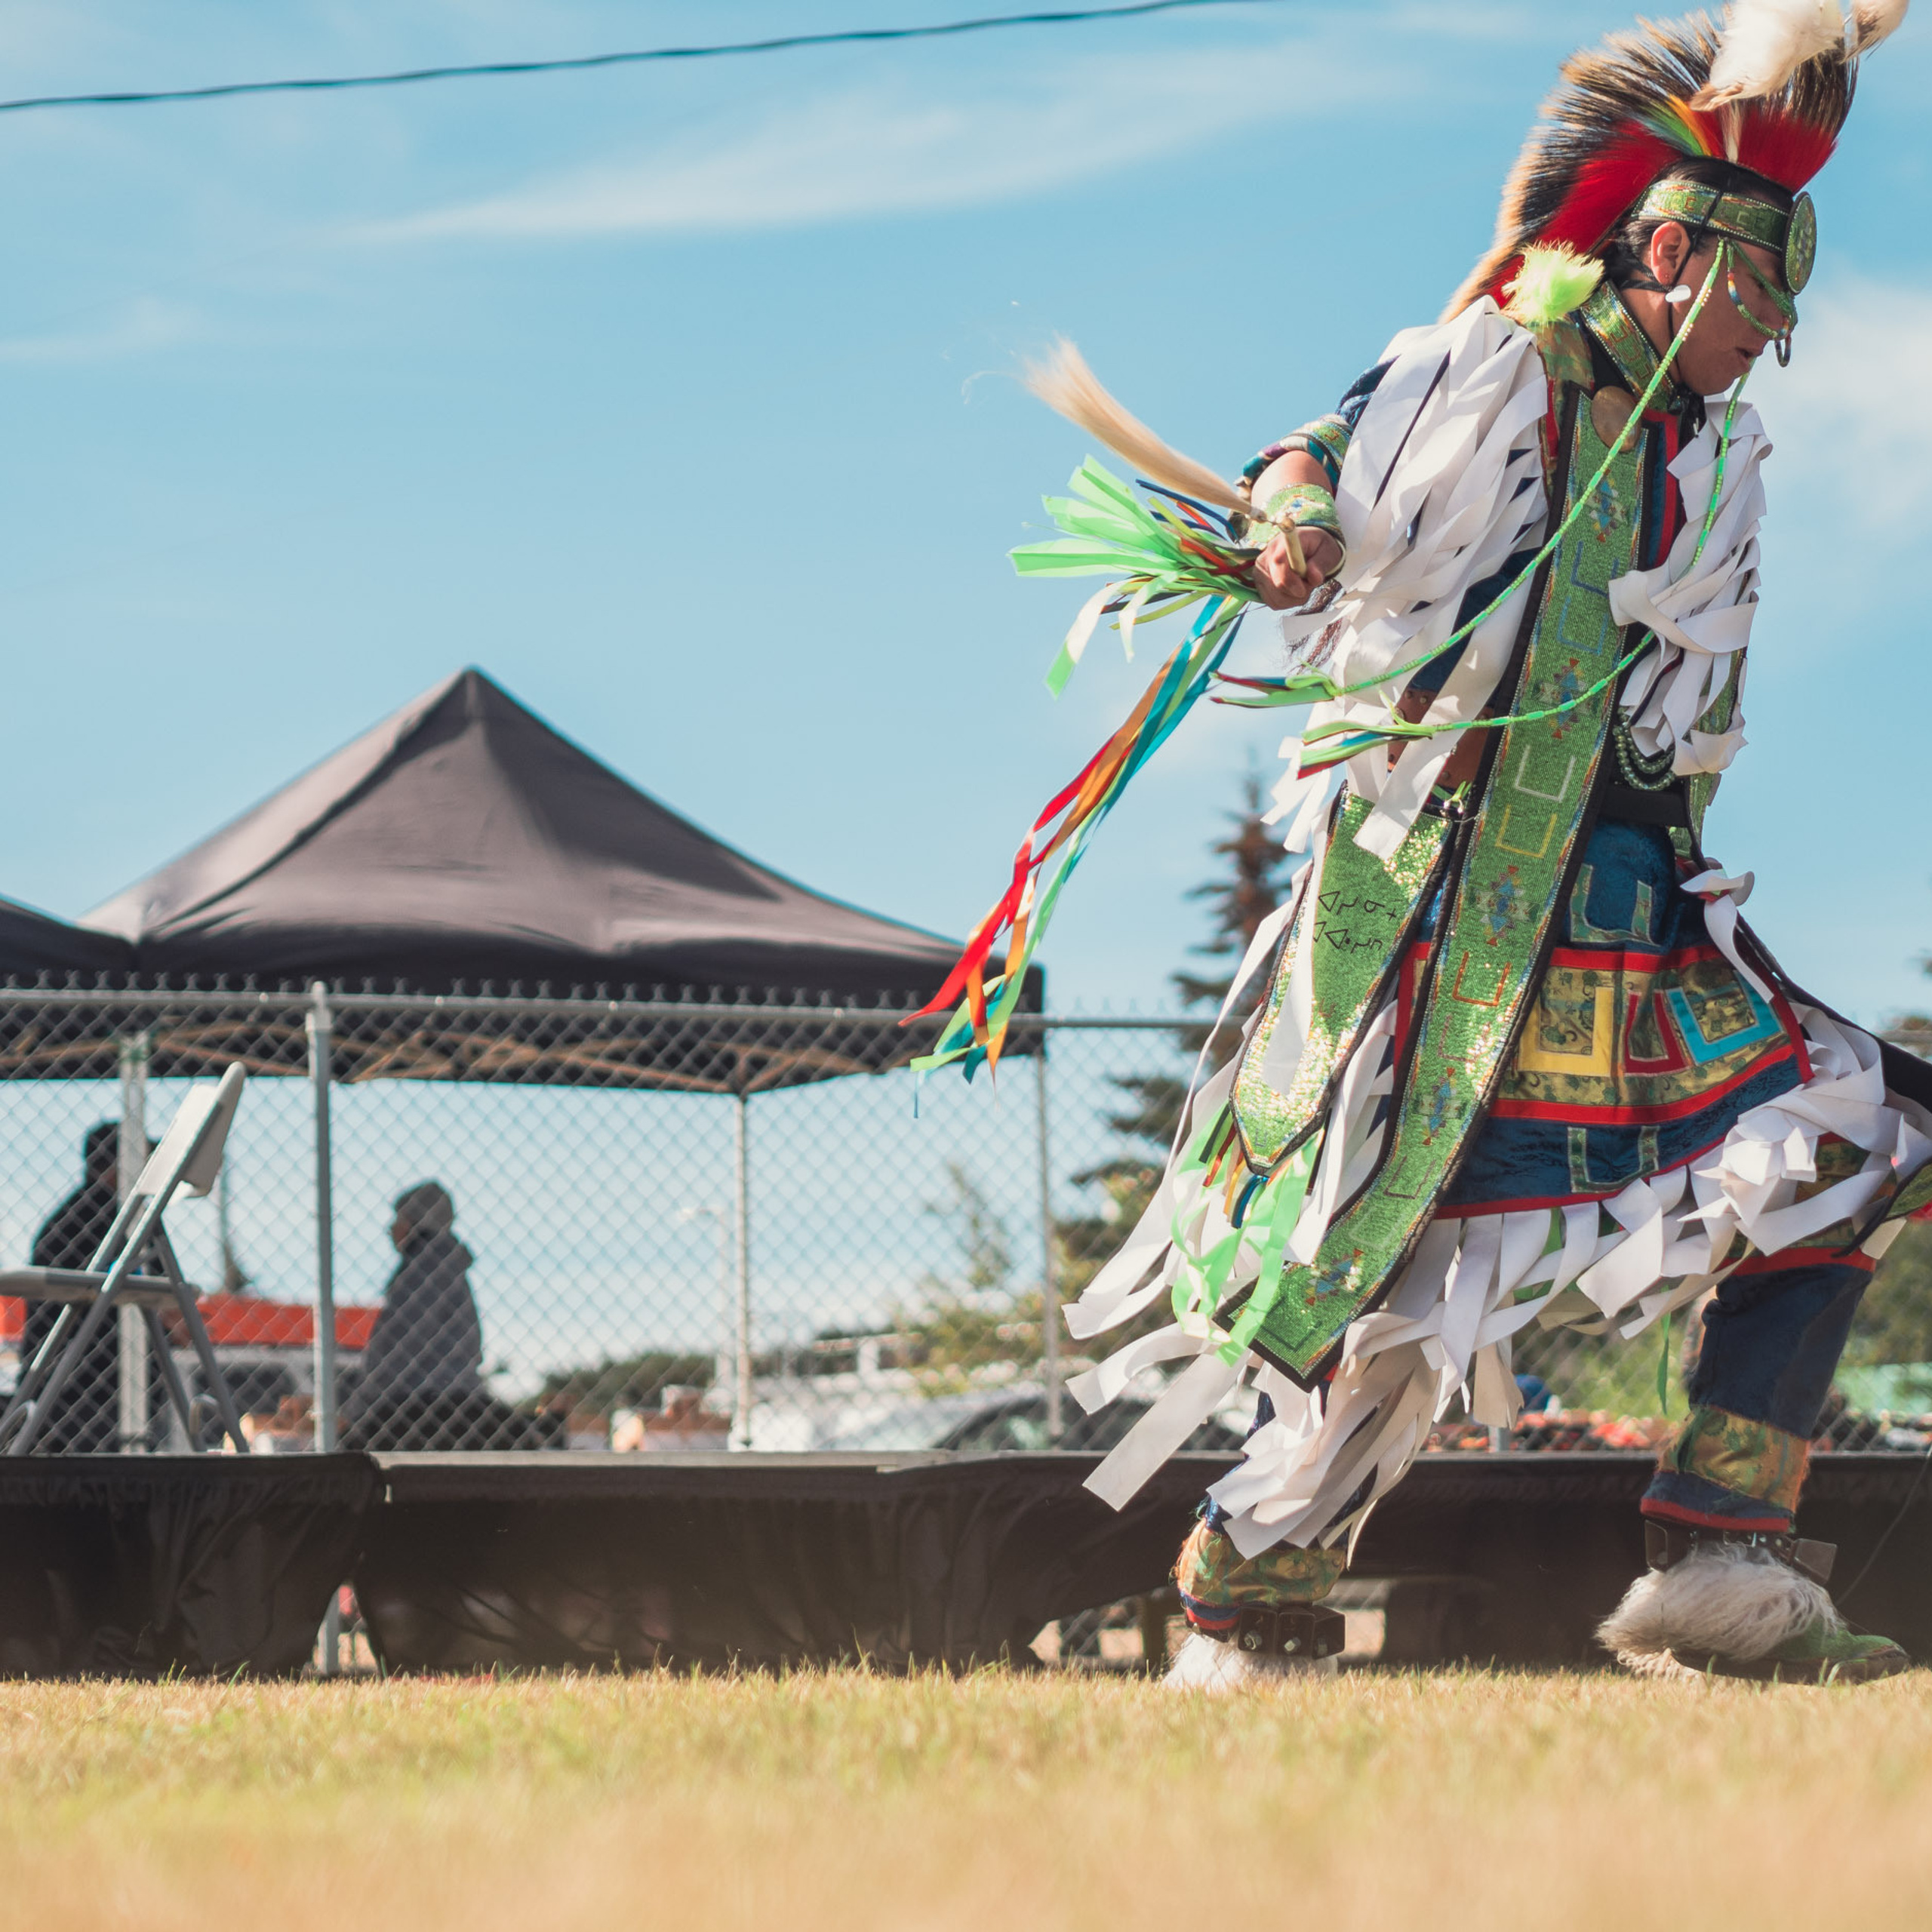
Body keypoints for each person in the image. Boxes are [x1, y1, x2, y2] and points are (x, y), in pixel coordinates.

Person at [940, 3, 1927, 1684]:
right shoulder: (1497, 366)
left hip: (1630, 912)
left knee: (1868, 1130)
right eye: (1761, 290)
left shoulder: (1713, 451)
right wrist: (1295, 519)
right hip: (1433, 926)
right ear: (1671, 251)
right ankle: (1242, 1589)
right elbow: (1323, 444)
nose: (1771, 335)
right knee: (1381, 1291)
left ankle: (1716, 1555)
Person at [22, 1123, 165, 1451]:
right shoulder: (108, 1214)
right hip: (91, 1387)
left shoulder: (74, 1216)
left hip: (65, 1384)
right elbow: (161, 1297)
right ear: (119, 1164)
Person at [342, 1180, 485, 1450]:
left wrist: (356, 1412)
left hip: (420, 1406)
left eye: (400, 1219)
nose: (392, 1229)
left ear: (416, 1223)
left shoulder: (423, 1270)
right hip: (458, 1399)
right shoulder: (450, 1268)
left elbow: (393, 1349)